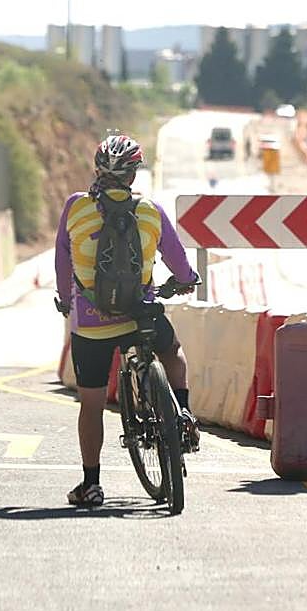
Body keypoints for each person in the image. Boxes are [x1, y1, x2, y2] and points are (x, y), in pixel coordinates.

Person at [55, 134, 200, 507]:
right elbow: (178, 261)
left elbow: (62, 263)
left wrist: (67, 299)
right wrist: (184, 281)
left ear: (97, 169)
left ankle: (91, 484)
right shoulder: (150, 211)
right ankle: (182, 413)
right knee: (174, 352)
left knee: (92, 403)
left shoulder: (75, 207)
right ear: (134, 173)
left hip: (91, 323)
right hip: (141, 316)